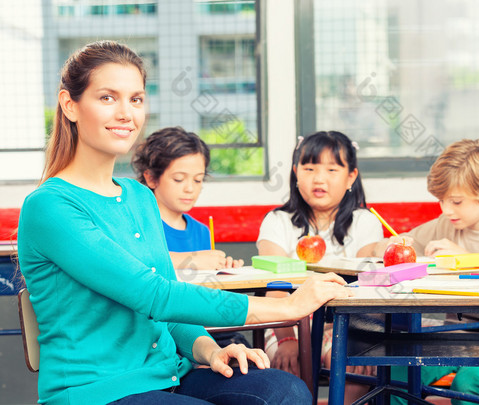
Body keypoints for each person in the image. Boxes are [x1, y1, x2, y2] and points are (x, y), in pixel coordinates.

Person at [17, 40, 352, 405]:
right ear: (70, 105)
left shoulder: (140, 197)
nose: (127, 114)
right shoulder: (50, 207)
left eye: (136, 99)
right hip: (96, 391)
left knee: (284, 392)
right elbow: (156, 296)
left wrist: (210, 350)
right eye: (107, 98)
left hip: (169, 375)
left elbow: (167, 306)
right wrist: (288, 308)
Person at [372, 138, 479, 405]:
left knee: (468, 383)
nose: (446, 210)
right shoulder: (444, 226)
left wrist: (464, 263)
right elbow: (376, 249)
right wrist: (389, 244)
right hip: (447, 341)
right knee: (394, 375)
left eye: (456, 201)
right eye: (441, 200)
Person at [257, 130, 383, 403]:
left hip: (346, 323)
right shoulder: (277, 222)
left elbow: (366, 282)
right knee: (293, 362)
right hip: (285, 322)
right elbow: (275, 286)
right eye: (309, 167)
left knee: (352, 359)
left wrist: (357, 338)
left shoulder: (364, 222)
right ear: (295, 172)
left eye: (332, 169)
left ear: (351, 176)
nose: (319, 178)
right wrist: (287, 339)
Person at [132, 126, 250, 348]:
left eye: (197, 180)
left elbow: (204, 290)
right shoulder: (139, 226)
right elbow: (137, 267)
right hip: (159, 333)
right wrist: (192, 259)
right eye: (178, 179)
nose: (190, 189)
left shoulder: (202, 231)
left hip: (201, 328)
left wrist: (223, 269)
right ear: (151, 178)